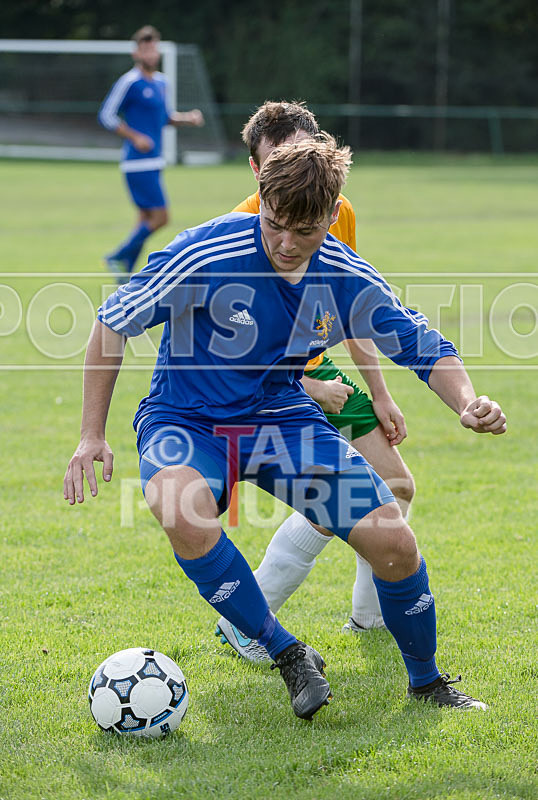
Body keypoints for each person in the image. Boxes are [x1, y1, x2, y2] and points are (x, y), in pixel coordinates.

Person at [64, 134, 506, 720]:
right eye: (274, 224)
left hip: (282, 419)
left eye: (305, 231)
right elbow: (111, 322)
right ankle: (287, 653)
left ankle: (427, 684)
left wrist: (469, 401)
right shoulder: (205, 252)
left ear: (332, 215)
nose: (285, 243)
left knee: (393, 540)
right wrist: (92, 433)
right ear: (261, 201)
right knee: (178, 506)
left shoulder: (345, 275)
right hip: (187, 420)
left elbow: (424, 347)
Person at [216, 101, 414, 663]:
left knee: (394, 487)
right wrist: (305, 388)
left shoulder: (336, 210)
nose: (300, 173)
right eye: (283, 162)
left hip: (314, 366)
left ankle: (368, 620)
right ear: (257, 170)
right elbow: (233, 356)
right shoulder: (238, 232)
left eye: (311, 157)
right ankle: (247, 625)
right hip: (263, 380)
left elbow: (352, 304)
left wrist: (379, 391)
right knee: (348, 497)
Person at [98, 25, 204, 281]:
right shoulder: (129, 82)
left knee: (144, 219)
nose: (150, 53)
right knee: (161, 217)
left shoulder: (162, 83)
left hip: (155, 161)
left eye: (153, 48)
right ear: (137, 53)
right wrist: (135, 137)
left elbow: (165, 118)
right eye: (145, 48)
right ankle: (116, 256)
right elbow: (106, 115)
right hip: (136, 163)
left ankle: (127, 273)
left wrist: (186, 119)